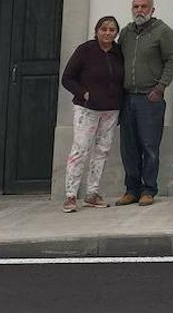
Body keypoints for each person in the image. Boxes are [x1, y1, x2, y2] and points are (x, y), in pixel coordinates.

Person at [116, 0, 173, 206]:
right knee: (128, 147)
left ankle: (148, 190)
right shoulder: (125, 33)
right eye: (136, 6)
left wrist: (160, 88)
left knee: (150, 147)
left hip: (149, 99)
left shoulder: (163, 31)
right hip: (127, 99)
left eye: (144, 6)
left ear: (152, 10)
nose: (139, 10)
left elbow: (171, 61)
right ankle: (131, 189)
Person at [60, 15, 124, 213]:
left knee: (102, 151)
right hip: (87, 109)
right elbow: (67, 78)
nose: (107, 33)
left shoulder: (118, 52)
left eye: (112, 30)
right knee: (80, 150)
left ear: (116, 33)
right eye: (104, 29)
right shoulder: (85, 50)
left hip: (110, 109)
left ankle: (92, 193)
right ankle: (70, 195)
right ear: (97, 30)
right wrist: (84, 93)